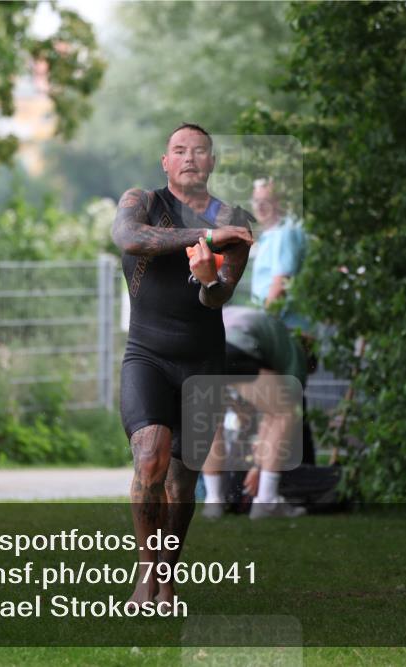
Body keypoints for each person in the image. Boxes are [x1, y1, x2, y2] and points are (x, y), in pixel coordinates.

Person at [112, 123, 255, 607]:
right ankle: (146, 573)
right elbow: (129, 238)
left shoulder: (235, 219)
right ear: (165, 162)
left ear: (212, 163)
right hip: (147, 355)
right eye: (179, 150)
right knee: (150, 456)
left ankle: (167, 576)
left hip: (202, 361)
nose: (190, 158)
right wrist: (208, 236)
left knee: (181, 482)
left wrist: (207, 277)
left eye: (200, 151)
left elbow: (218, 298)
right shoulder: (144, 203)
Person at [202, 306, 315, 520]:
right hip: (233, 345)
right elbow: (276, 413)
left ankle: (214, 502)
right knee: (286, 413)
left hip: (198, 346)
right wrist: (258, 467)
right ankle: (267, 501)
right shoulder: (295, 354)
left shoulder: (270, 331)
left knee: (210, 422)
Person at [249, 178, 309, 331]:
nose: (260, 206)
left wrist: (263, 327)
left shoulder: (284, 233)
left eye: (266, 201)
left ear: (278, 202)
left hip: (287, 329)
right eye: (256, 201)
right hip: (279, 326)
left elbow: (280, 285)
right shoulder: (270, 235)